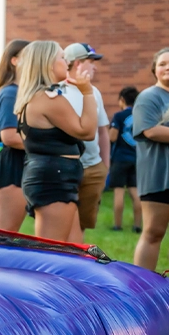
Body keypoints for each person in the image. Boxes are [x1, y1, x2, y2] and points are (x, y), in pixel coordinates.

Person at [13, 41, 97, 241]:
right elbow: (87, 131)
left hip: (55, 176)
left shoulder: (37, 97)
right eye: (61, 57)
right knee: (53, 251)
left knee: (73, 247)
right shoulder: (48, 99)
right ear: (47, 63)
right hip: (54, 179)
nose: (66, 62)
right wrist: (87, 92)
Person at [132, 47, 169, 291]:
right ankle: (140, 290)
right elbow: (151, 130)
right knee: (154, 232)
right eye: (162, 63)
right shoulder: (148, 97)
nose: (168, 67)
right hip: (158, 174)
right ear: (154, 69)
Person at [62, 43, 110, 242]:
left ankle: (76, 263)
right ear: (78, 63)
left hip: (93, 168)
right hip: (65, 167)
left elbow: (102, 130)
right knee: (63, 222)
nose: (95, 67)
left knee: (82, 223)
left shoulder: (94, 91)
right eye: (91, 62)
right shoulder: (57, 91)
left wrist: (105, 166)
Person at [0, 39, 30, 231]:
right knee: (5, 237)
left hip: (23, 163)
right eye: (29, 57)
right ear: (14, 61)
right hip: (12, 166)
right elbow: (9, 136)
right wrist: (48, 146)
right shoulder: (10, 93)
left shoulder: (21, 91)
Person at [109, 86, 142, 232]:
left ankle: (117, 225)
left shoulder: (119, 116)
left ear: (122, 100)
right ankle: (137, 226)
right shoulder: (142, 115)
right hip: (136, 158)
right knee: (135, 193)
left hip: (120, 158)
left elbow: (112, 137)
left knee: (119, 192)